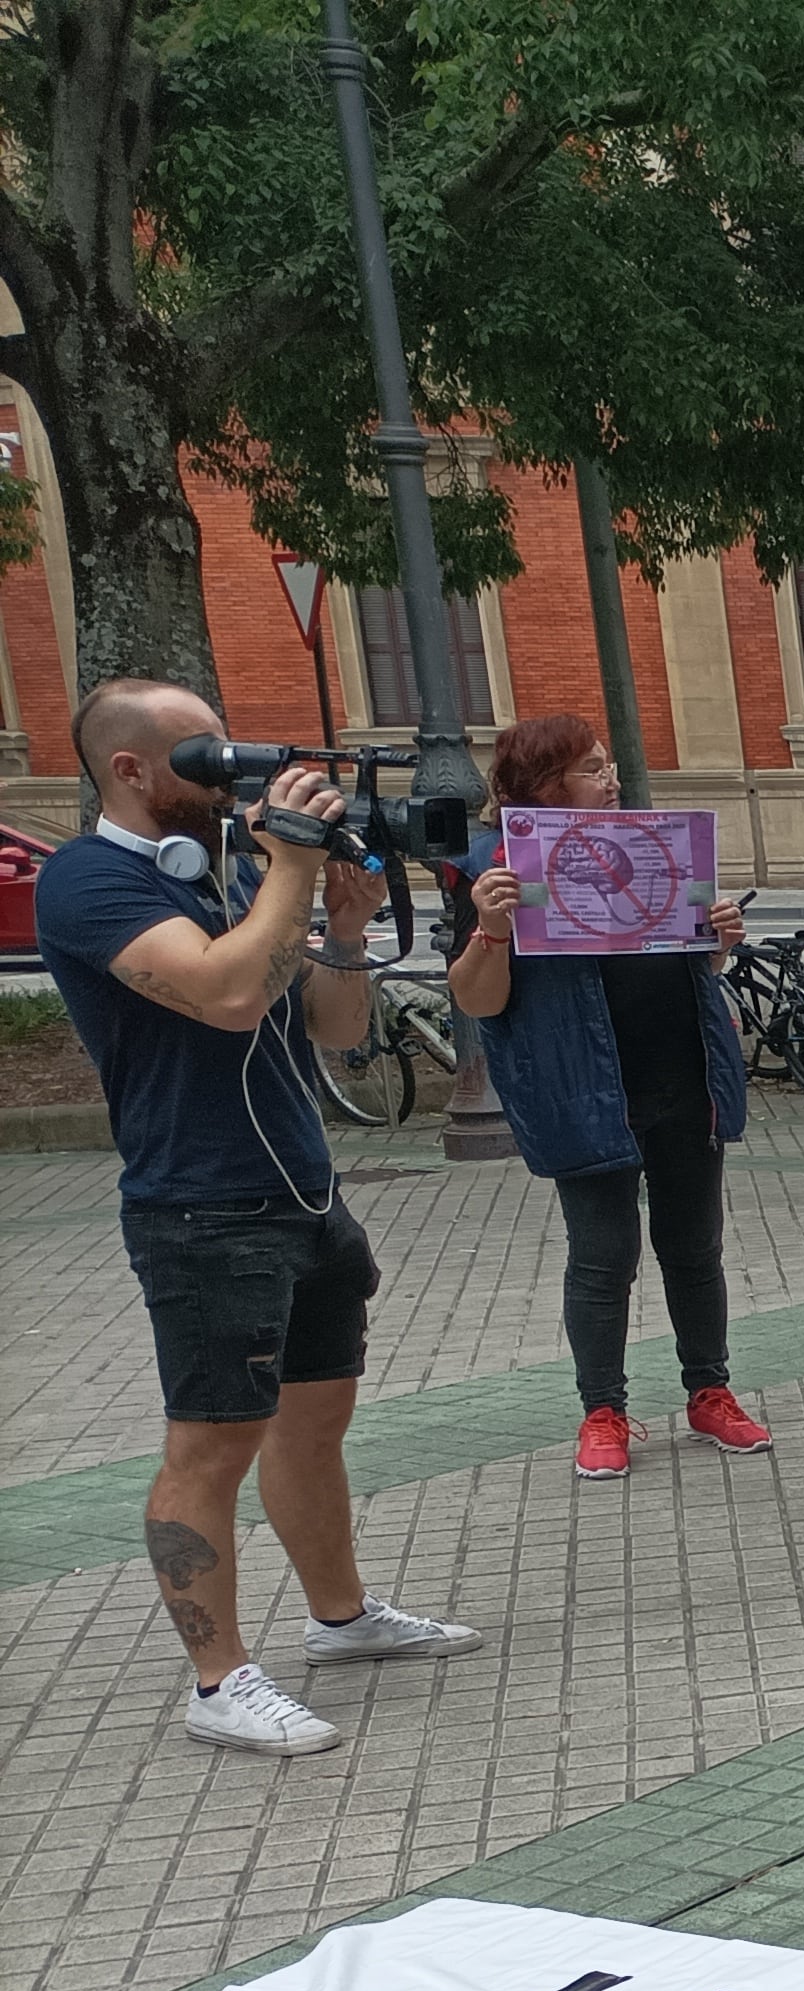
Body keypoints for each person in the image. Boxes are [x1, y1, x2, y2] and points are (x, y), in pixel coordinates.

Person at [40, 677, 478, 1755]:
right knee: (211, 1441)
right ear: (132, 770)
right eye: (204, 757)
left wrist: (337, 923)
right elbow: (226, 994)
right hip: (201, 1209)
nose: (229, 774)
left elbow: (331, 1028)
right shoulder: (89, 882)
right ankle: (216, 1680)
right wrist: (288, 863)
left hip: (303, 1190)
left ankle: (341, 1619)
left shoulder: (235, 874)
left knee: (314, 1418)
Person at [448, 712, 771, 1481]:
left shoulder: (653, 850)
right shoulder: (498, 868)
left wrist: (717, 941)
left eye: (607, 765)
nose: (612, 778)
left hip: (684, 1081)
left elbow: (695, 970)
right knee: (602, 1259)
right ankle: (603, 1410)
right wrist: (491, 930)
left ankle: (709, 1391)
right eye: (593, 768)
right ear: (546, 784)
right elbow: (478, 1001)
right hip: (583, 1092)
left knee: (695, 1250)